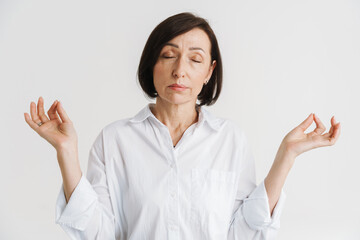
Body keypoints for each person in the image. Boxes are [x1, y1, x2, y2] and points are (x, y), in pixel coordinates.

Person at [24, 12, 341, 240]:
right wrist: (66, 151)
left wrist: (287, 154)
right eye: (168, 55)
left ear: (209, 71)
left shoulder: (230, 140)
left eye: (195, 59)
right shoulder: (114, 139)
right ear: (152, 65)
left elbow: (243, 232)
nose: (180, 71)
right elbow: (98, 234)